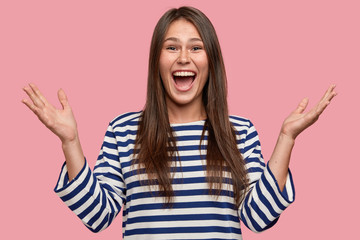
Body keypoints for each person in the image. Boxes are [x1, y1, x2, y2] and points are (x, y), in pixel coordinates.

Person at [22, 6, 336, 240]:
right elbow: (97, 216)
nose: (183, 57)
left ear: (211, 61)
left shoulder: (239, 131)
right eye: (171, 47)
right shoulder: (123, 130)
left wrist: (286, 137)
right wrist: (70, 142)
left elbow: (259, 217)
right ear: (156, 61)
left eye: (196, 48)